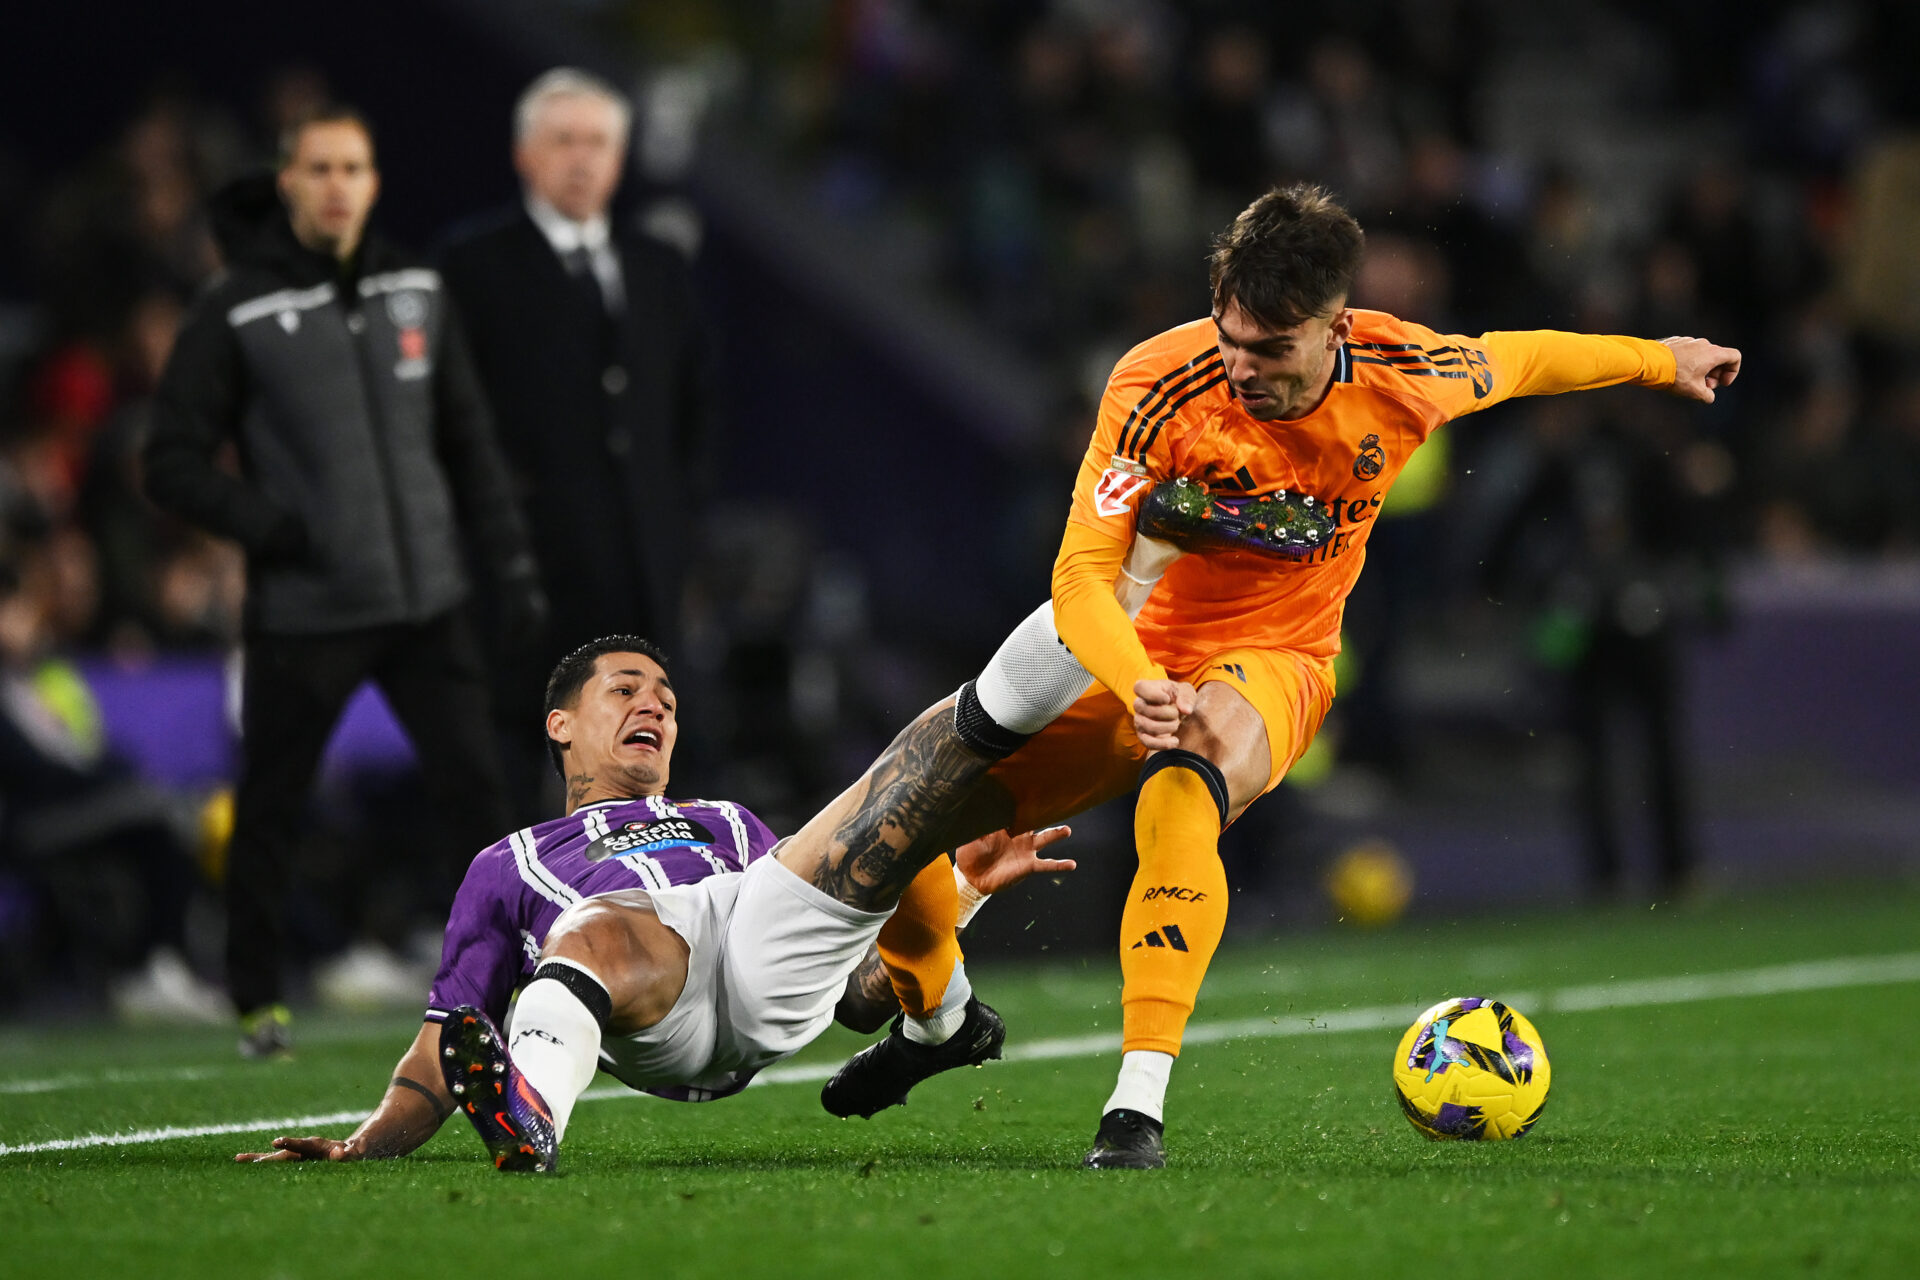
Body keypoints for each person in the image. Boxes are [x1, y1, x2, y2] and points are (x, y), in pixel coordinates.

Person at [835, 182, 1741, 1169]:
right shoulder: (1155, 382)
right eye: (1230, 336)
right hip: (1131, 648)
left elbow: (1523, 357)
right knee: (910, 821)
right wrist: (1138, 675)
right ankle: (937, 1019)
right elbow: (1081, 577)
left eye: (1272, 349)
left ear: (1335, 328)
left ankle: (1135, 1106)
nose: (1243, 367)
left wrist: (1663, 360)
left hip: (1278, 657)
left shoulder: (1402, 371)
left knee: (1181, 786)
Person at [143, 106, 546, 1059]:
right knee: (273, 806)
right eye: (318, 168)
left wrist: (512, 563)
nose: (336, 185)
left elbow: (470, 443)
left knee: (481, 804)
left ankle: (527, 987)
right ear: (288, 183)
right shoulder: (234, 308)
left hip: (430, 601)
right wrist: (267, 528)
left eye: (352, 167)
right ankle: (253, 998)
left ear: (373, 182)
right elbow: (170, 459)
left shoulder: (418, 287)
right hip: (307, 611)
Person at [437, 68, 717, 822]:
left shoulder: (658, 270)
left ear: (620, 159)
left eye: (597, 142)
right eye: (563, 141)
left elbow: (693, 417)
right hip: (524, 577)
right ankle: (498, 928)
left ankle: (651, 920)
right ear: (526, 155)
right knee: (511, 762)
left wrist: (683, 536)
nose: (581, 159)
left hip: (644, 573)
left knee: (652, 759)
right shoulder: (474, 267)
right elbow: (447, 423)